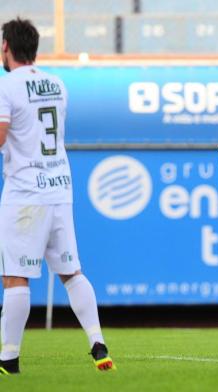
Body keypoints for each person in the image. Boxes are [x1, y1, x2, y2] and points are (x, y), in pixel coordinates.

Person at [0, 18, 114, 375]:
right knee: (72, 272)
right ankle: (97, 342)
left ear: (7, 47)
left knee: (16, 278)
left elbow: (2, 137)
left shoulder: (7, 87)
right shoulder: (57, 83)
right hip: (59, 189)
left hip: (25, 193)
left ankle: (8, 358)